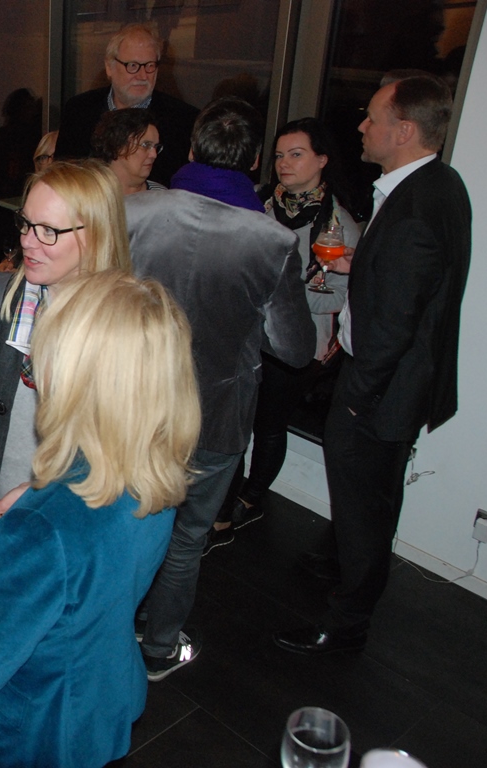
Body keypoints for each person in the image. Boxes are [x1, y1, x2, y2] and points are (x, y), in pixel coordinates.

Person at [0, 271, 201, 767]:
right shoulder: (156, 475)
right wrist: (42, 491)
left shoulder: (39, 530)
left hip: (29, 729)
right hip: (103, 697)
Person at [274, 76, 471, 655]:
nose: (362, 126)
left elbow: (393, 327)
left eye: (372, 118)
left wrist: (359, 396)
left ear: (403, 130)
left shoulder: (413, 211)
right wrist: (362, 264)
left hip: (382, 387)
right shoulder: (439, 184)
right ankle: (339, 561)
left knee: (365, 504)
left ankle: (346, 623)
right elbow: (411, 285)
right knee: (370, 495)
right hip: (397, 380)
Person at [123, 96, 316, 680]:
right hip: (215, 417)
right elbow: (295, 348)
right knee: (186, 540)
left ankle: (111, 633)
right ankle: (158, 647)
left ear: (189, 150)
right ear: (254, 161)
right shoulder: (272, 241)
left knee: (123, 525)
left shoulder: (133, 213)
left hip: (131, 407)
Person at [0, 160, 131, 512]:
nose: (26, 241)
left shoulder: (130, 332)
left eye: (48, 230)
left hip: (71, 519)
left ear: (96, 234)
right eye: (25, 223)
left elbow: (133, 455)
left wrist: (44, 495)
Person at [206, 118, 360, 552]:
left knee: (270, 425)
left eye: (296, 154)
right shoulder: (259, 206)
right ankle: (219, 510)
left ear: (322, 159)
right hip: (247, 336)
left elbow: (339, 297)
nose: (284, 163)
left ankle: (251, 499)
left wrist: (278, 293)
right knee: (235, 423)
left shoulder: (339, 224)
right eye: (278, 155)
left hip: (297, 342)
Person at [54, 22, 198, 186]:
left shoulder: (183, 120)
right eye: (133, 66)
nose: (142, 76)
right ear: (109, 67)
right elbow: (62, 176)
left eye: (150, 66)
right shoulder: (79, 110)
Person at [89, 108, 167, 193]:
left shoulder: (162, 195)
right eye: (145, 145)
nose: (154, 154)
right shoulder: (87, 193)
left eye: (156, 147)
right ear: (118, 145)